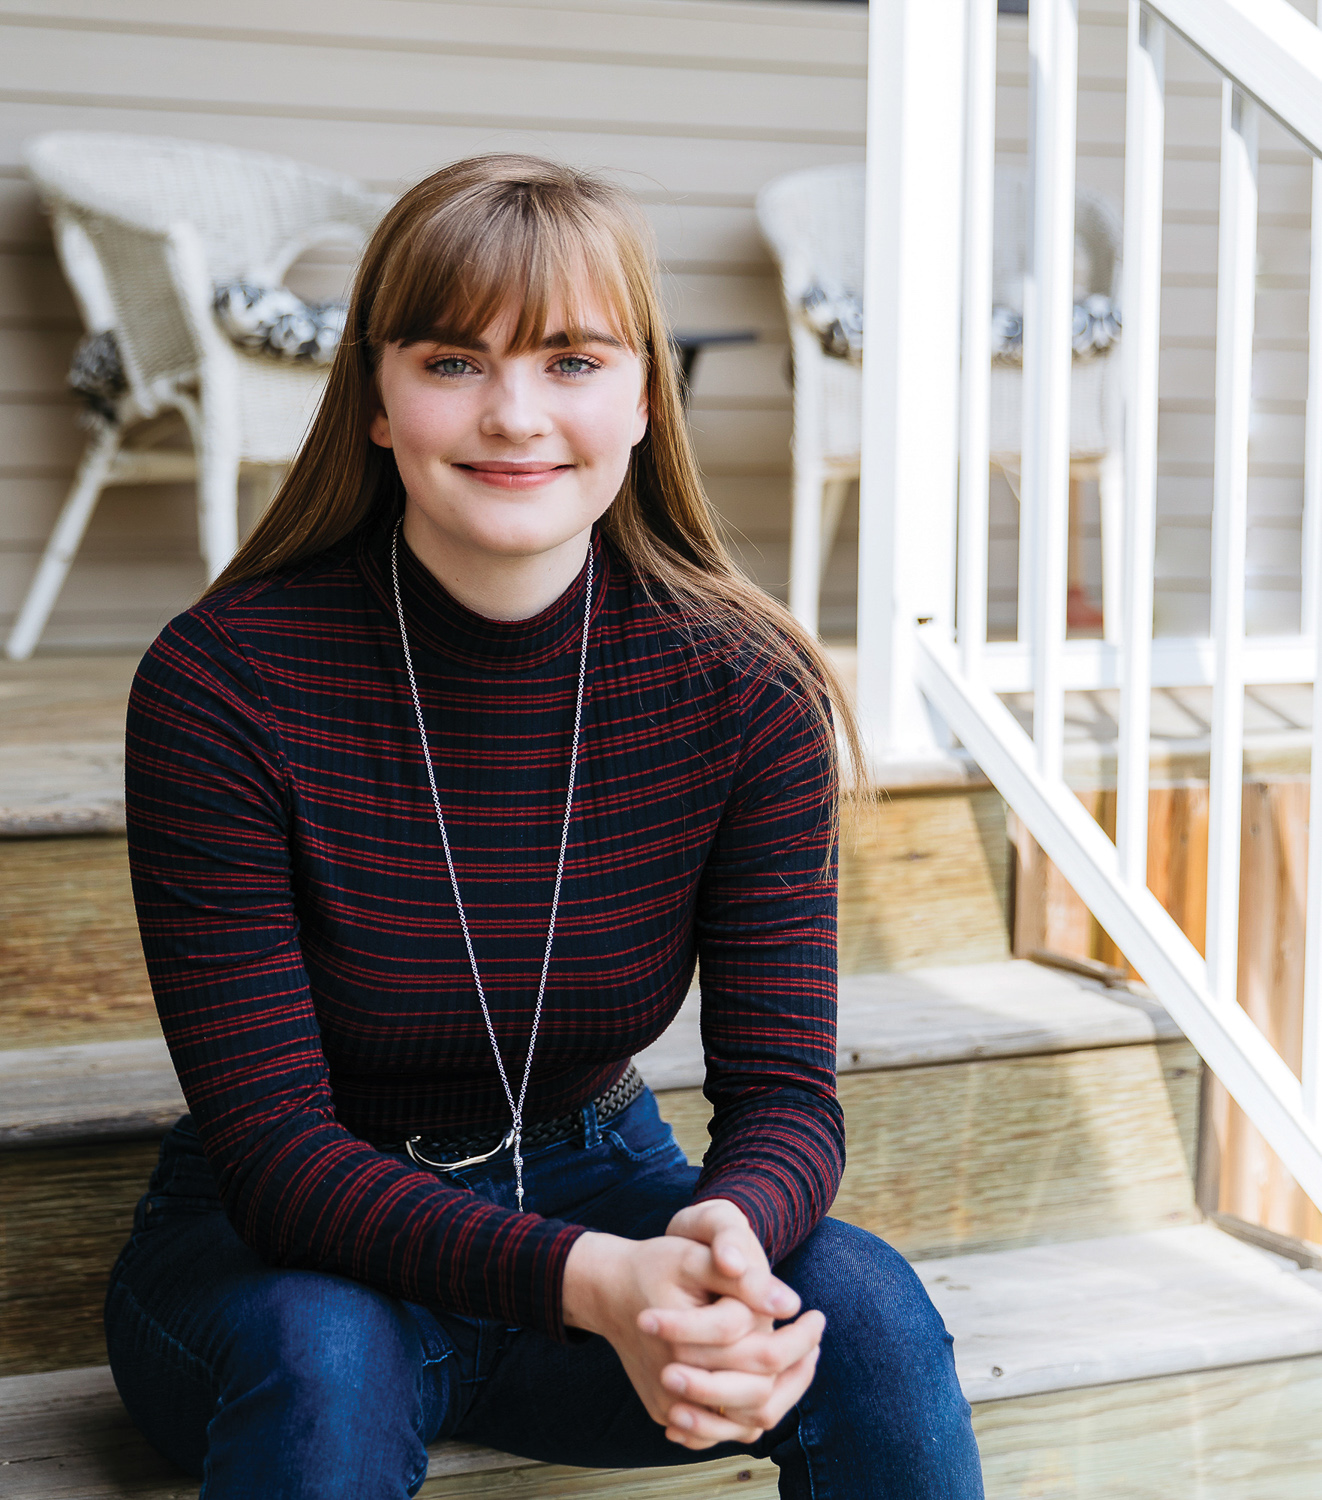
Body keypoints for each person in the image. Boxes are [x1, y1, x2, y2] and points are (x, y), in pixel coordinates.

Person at [104, 154, 984, 1500]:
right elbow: (279, 1156)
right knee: (328, 1357)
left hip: (596, 1180)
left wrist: (721, 1244)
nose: (515, 416)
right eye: (453, 361)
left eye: (571, 359)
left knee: (855, 1308)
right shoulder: (225, 684)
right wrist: (599, 1289)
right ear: (378, 399)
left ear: (642, 394)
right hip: (287, 1252)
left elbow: (787, 1096)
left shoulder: (743, 690)